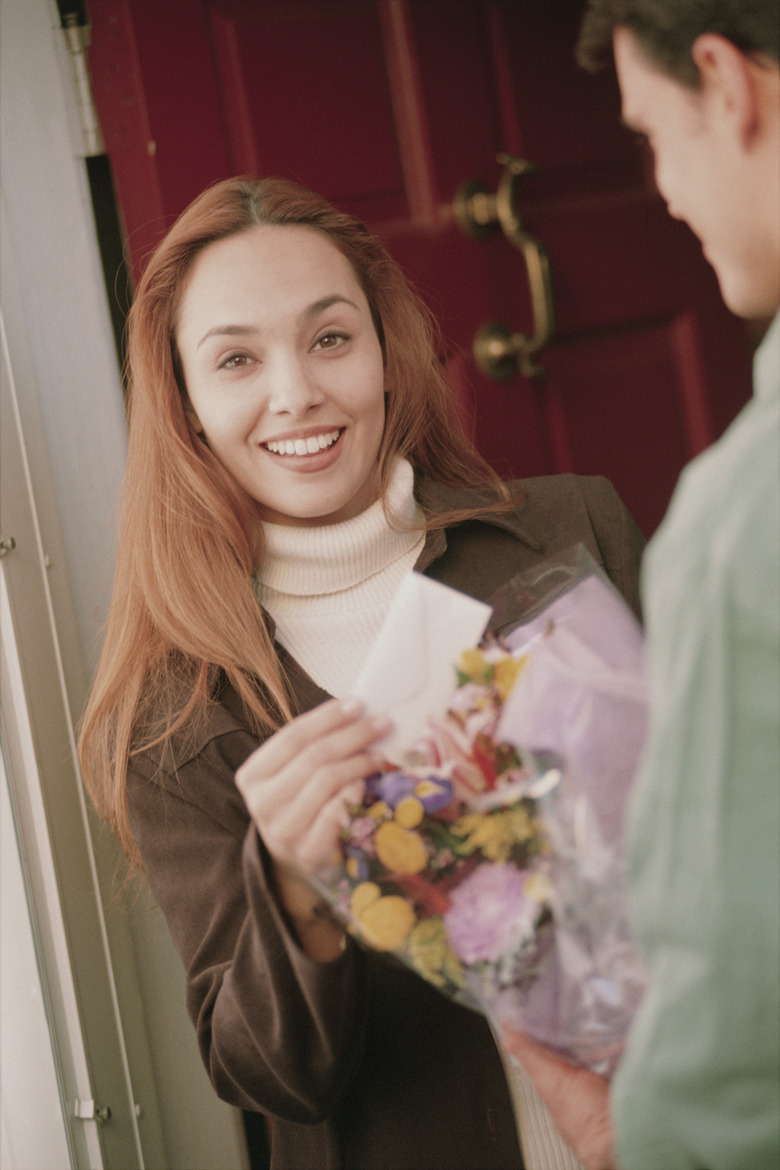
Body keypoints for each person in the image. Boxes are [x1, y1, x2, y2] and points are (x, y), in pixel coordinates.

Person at [77, 174, 646, 1170]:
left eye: (330, 338)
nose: (296, 391)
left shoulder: (574, 531)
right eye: (237, 359)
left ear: (387, 352)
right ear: (187, 404)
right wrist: (296, 890)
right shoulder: (175, 718)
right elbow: (266, 1076)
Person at [503, 3, 780, 1169]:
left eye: (652, 135)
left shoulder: (740, 525)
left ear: (728, 85)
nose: (663, 189)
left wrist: (635, 1137)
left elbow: (737, 1056)